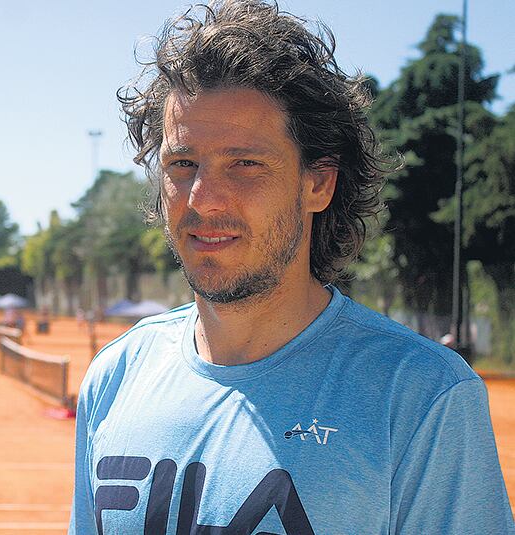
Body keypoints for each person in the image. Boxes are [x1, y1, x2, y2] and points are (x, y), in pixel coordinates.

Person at [70, 2, 514, 534]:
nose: (202, 198)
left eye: (246, 164)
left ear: (318, 183)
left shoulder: (420, 395)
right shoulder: (116, 376)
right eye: (182, 164)